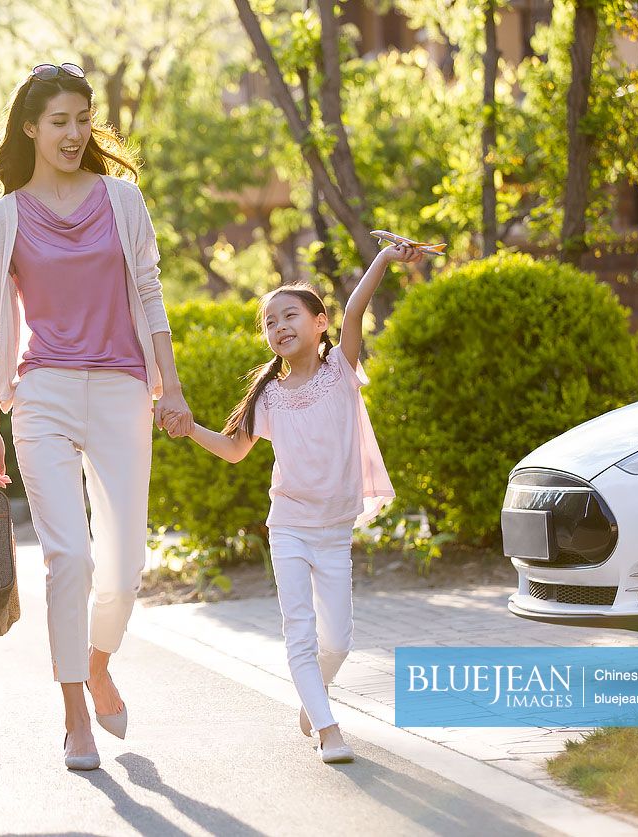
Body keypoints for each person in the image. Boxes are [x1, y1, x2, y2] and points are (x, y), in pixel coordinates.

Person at [0, 62, 193, 771]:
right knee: (67, 554)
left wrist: (174, 385)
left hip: (123, 388)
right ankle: (75, 713)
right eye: (58, 121)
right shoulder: (2, 217)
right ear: (30, 127)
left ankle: (99, 663)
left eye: (82, 119)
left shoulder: (122, 201)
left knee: (126, 561)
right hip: (42, 393)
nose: (73, 134)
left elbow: (150, 292)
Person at [174, 242, 420, 763]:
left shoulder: (341, 373)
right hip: (287, 525)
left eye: (290, 315)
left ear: (319, 323)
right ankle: (329, 729)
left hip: (334, 532)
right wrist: (189, 427)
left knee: (340, 641)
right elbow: (235, 451)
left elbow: (357, 309)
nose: (279, 326)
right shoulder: (269, 396)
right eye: (270, 321)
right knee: (300, 631)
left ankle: (314, 700)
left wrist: (385, 259)